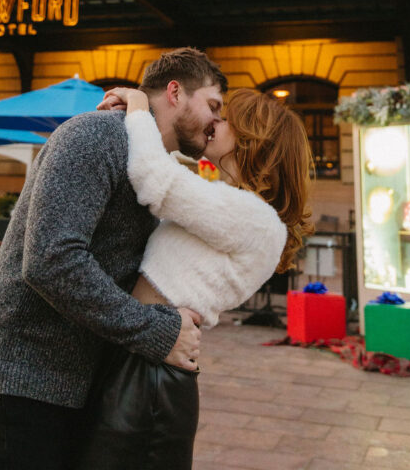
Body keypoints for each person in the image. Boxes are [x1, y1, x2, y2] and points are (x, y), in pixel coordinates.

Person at [0, 47, 227, 470]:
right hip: (21, 378)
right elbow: (52, 259)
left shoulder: (153, 162)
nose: (215, 122)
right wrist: (157, 330)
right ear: (175, 92)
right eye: (213, 105)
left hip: (68, 383)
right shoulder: (97, 135)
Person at [77, 85, 313, 470]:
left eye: (225, 119)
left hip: (150, 373)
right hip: (142, 350)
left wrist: (140, 107)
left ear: (253, 141)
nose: (213, 122)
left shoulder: (256, 218)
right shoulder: (228, 203)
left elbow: (156, 178)